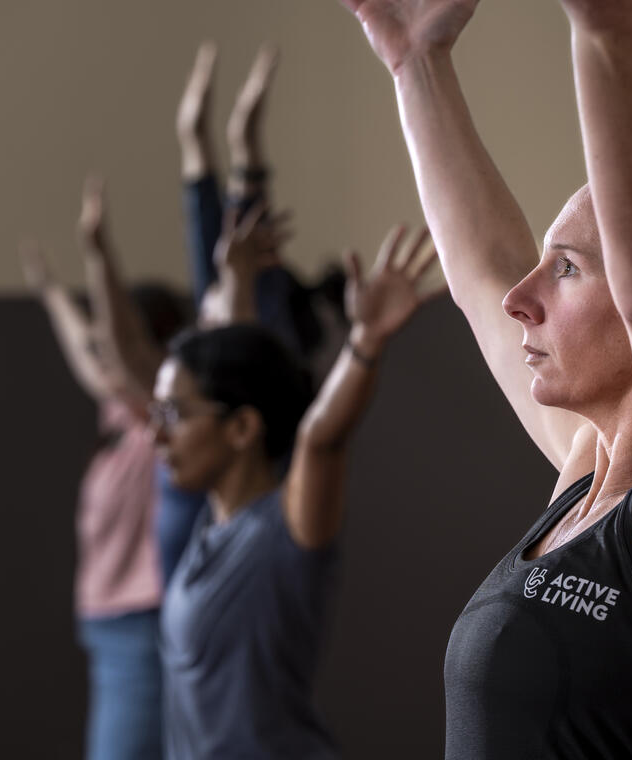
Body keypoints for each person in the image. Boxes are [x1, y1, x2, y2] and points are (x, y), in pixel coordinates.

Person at [339, 0, 632, 756]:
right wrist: (416, 66)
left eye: (567, 268)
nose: (520, 298)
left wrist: (605, 26)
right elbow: (480, 274)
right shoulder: (585, 470)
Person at [153, 223, 442, 758]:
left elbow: (320, 441)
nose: (156, 434)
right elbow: (235, 365)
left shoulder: (285, 529)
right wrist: (234, 277)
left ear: (241, 429)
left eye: (172, 414)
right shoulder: (215, 523)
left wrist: (365, 341)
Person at [161, 41, 347, 583]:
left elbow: (242, 339)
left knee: (227, 270)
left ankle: (226, 150)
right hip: (266, 343)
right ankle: (223, 149)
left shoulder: (270, 349)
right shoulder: (263, 321)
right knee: (226, 266)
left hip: (270, 381)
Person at [19, 230, 190, 759]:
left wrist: (100, 261)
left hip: (144, 625)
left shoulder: (159, 415)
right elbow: (91, 351)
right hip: (109, 625)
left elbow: (111, 350)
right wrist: (51, 291)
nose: (107, 354)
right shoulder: (119, 414)